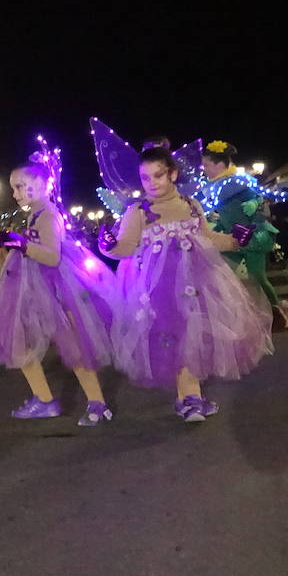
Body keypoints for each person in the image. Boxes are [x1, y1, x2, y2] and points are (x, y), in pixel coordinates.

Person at [100, 141, 273, 422]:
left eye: (158, 175)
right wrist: (106, 246)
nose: (151, 183)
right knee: (176, 336)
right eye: (146, 177)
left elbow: (208, 238)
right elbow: (125, 248)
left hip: (198, 280)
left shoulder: (190, 205)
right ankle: (190, 399)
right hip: (159, 288)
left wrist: (233, 240)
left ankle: (190, 398)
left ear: (172, 174)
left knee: (193, 336)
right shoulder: (138, 211)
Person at [0, 157, 117, 427]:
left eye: (20, 186)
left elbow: (51, 257)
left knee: (72, 345)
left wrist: (22, 244)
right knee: (22, 342)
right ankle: (45, 399)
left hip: (55, 291)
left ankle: (95, 403)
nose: (15, 194)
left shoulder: (47, 214)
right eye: (13, 188)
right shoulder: (35, 213)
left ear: (41, 184)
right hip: (35, 288)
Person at [199, 141, 288, 330]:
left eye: (207, 165)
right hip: (233, 236)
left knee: (257, 276)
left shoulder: (236, 181)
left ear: (219, 164)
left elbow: (260, 194)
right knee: (220, 271)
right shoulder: (214, 186)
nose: (204, 169)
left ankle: (277, 312)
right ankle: (233, 314)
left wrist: (254, 203)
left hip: (253, 235)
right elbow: (223, 212)